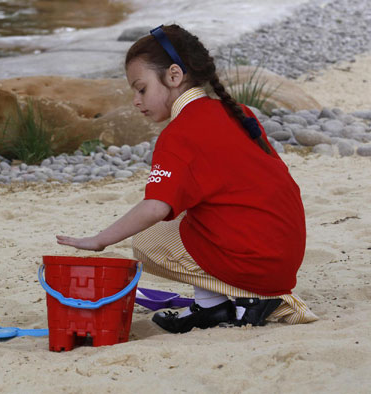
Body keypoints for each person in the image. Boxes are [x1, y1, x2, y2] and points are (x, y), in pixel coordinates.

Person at [56, 24, 318, 333]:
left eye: (141, 89)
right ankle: (213, 308)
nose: (136, 101)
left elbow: (155, 207)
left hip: (258, 266)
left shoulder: (179, 133)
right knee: (191, 212)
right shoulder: (238, 111)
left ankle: (247, 298)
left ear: (174, 76)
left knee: (147, 240)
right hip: (284, 256)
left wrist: (101, 239)